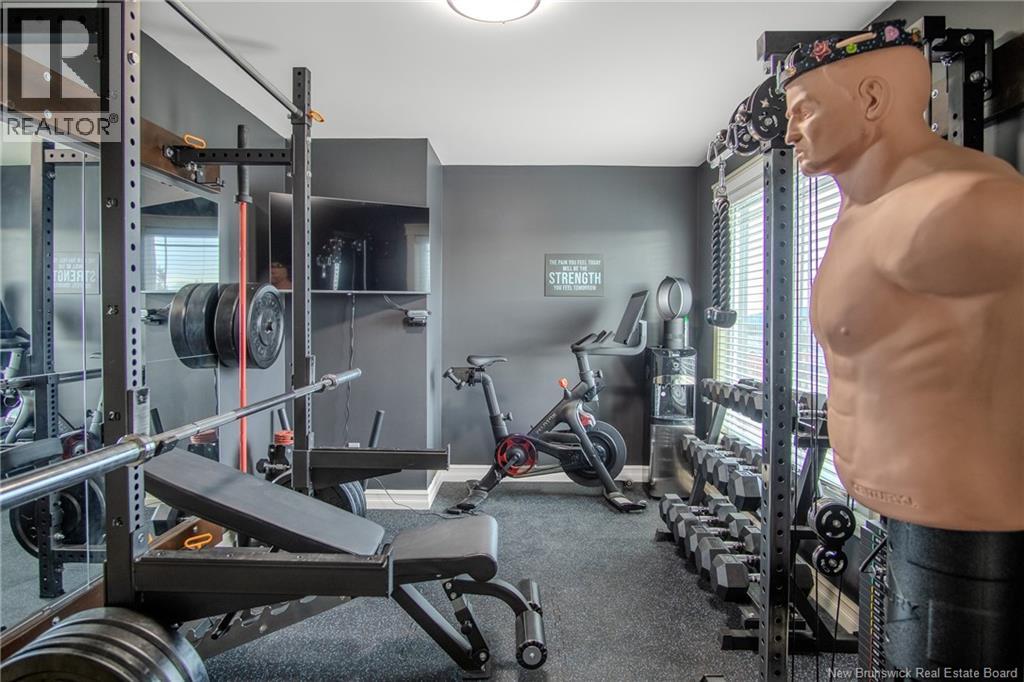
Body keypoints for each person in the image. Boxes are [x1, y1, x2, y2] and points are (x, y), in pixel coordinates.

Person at [779, 20, 1024, 676]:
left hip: (970, 530)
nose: (790, 132)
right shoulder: (855, 216)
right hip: (898, 515)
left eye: (804, 110)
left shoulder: (969, 204)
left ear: (871, 99)